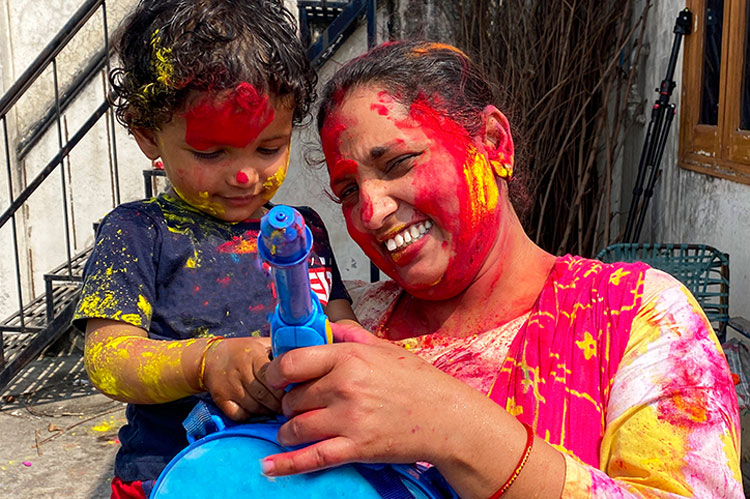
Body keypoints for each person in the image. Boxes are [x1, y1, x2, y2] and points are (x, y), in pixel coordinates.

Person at [260, 41, 744, 498]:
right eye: (348, 191)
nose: (371, 211)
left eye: (398, 163)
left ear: (494, 143)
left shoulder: (637, 316)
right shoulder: (346, 327)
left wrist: (455, 428)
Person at [73, 1, 358, 497]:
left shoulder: (299, 230)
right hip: (170, 471)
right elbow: (107, 358)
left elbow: (340, 318)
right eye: (210, 153)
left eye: (269, 148)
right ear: (148, 136)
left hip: (291, 462)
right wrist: (206, 363)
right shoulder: (138, 232)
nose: (245, 174)